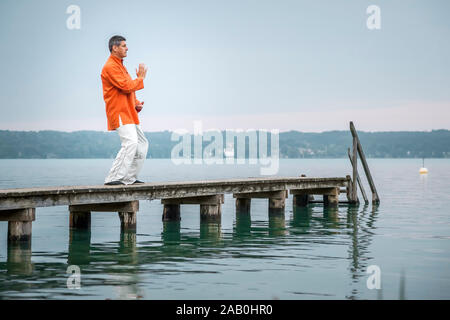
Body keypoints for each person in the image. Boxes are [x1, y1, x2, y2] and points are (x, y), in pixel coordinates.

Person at [101, 35, 149, 185]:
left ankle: (129, 177)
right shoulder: (110, 67)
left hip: (129, 112)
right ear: (114, 48)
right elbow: (127, 86)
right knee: (131, 143)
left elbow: (128, 88)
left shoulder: (121, 66)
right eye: (123, 45)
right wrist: (140, 78)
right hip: (119, 112)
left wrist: (136, 103)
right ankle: (113, 178)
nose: (127, 48)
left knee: (142, 144)